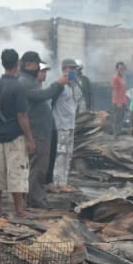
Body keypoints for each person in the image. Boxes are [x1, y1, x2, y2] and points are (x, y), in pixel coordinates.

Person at [0, 48, 37, 220]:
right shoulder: (18, 87)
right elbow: (22, 116)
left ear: (2, 63)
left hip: (0, 135)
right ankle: (19, 210)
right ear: (18, 64)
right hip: (15, 136)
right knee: (17, 172)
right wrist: (30, 139)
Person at [19, 51, 66, 209]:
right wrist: (58, 84)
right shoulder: (25, 82)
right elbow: (44, 95)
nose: (40, 70)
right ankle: (36, 199)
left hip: (42, 130)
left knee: (41, 166)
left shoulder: (30, 81)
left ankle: (36, 197)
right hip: (37, 131)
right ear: (28, 65)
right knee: (38, 167)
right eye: (37, 66)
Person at [52, 58, 85, 188]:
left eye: (75, 69)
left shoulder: (73, 86)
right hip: (61, 126)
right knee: (60, 155)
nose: (74, 71)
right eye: (71, 68)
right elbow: (50, 104)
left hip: (70, 125)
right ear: (64, 69)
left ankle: (63, 183)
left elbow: (78, 101)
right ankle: (56, 183)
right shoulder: (59, 86)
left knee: (68, 155)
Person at [110, 62, 129, 135]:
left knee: (121, 118)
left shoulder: (123, 78)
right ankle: (116, 134)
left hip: (123, 101)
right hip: (117, 102)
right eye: (120, 68)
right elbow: (115, 91)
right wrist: (118, 102)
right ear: (117, 69)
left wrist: (125, 101)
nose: (122, 70)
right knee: (117, 118)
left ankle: (119, 133)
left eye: (123, 68)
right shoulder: (115, 78)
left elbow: (123, 90)